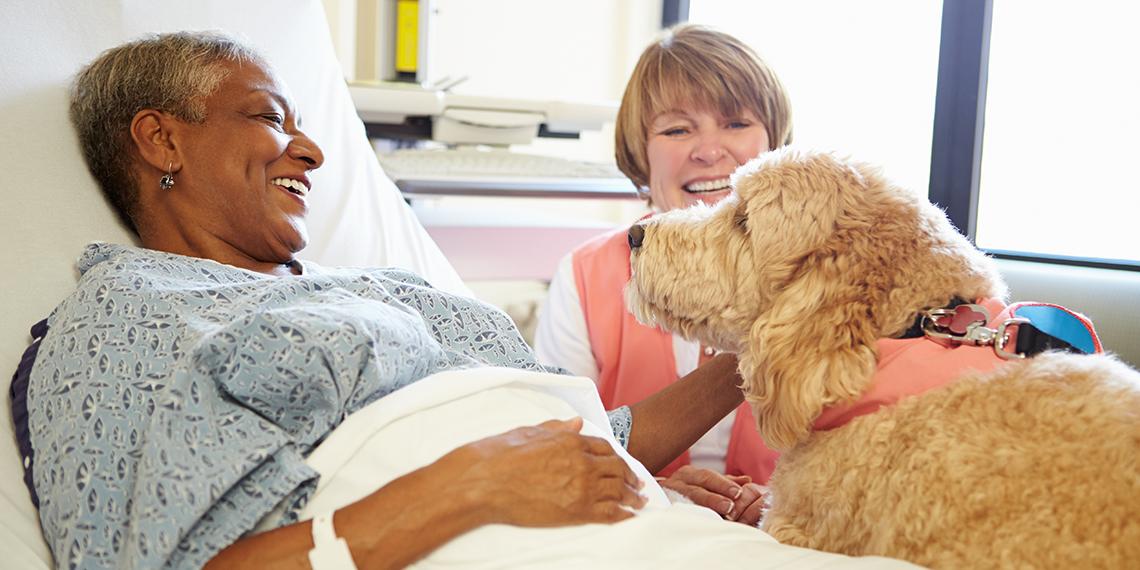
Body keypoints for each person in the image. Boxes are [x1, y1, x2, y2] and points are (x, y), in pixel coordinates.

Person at [23, 32, 761, 569]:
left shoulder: (382, 285)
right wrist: (468, 486)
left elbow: (586, 438)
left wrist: (772, 337)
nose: (311, 151)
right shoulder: (124, 314)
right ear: (161, 140)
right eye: (270, 117)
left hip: (639, 527)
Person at [534, 24, 792, 520]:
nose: (709, 150)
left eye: (736, 123)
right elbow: (559, 448)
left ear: (775, 140)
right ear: (640, 151)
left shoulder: (821, 271)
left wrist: (781, 501)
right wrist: (663, 490)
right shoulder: (586, 276)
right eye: (677, 129)